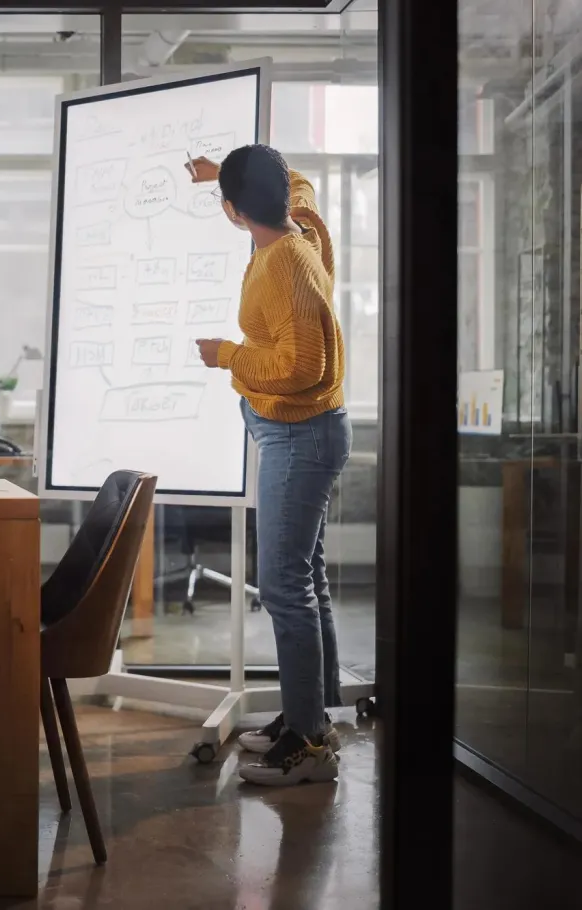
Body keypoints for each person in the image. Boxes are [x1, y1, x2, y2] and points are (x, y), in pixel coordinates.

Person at [189, 145, 350, 786]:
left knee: (285, 587)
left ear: (232, 212)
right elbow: (298, 180)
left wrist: (227, 354)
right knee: (305, 577)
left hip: (298, 436)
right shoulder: (301, 222)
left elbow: (300, 368)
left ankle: (308, 747)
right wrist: (219, 174)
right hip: (299, 433)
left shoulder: (286, 263)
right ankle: (312, 716)